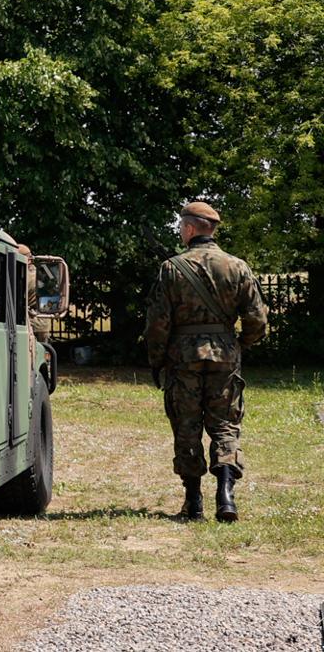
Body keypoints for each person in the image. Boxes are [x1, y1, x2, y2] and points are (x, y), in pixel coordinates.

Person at [144, 201, 269, 523]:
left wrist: (157, 360)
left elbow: (158, 323)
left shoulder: (172, 268)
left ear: (189, 228)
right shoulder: (237, 267)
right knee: (225, 424)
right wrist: (239, 344)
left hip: (183, 359)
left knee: (187, 428)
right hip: (225, 357)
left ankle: (193, 502)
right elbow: (257, 318)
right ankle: (226, 496)